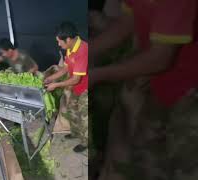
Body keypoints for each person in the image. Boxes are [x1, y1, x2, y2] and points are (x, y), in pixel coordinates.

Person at [92, 0, 198, 180]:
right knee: (147, 160)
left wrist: (97, 75)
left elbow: (161, 58)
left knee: (184, 164)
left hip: (190, 89)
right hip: (160, 82)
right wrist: (83, 53)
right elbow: (128, 21)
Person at [44, 22, 89, 153]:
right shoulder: (70, 48)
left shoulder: (83, 50)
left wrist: (56, 85)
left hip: (85, 88)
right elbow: (65, 68)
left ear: (68, 39)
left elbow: (76, 79)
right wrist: (51, 78)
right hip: (76, 87)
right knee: (71, 109)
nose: (59, 44)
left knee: (84, 116)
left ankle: (85, 142)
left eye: (59, 42)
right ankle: (75, 133)